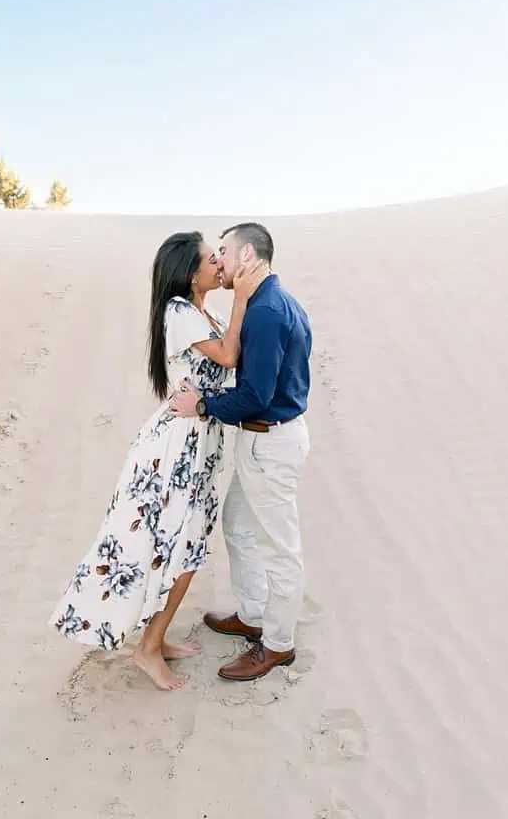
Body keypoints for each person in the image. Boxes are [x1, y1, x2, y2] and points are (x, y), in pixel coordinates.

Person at [49, 231, 265, 691]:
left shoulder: (199, 311)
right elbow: (228, 354)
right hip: (177, 449)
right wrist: (243, 298)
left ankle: (156, 637)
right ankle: (147, 649)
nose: (219, 265)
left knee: (180, 545)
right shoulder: (179, 312)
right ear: (191, 273)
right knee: (182, 548)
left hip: (199, 442)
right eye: (212, 260)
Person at [169, 221, 312, 682]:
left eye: (225, 251)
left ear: (247, 254)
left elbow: (254, 394)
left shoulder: (268, 311)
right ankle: (252, 615)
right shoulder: (271, 302)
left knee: (278, 547)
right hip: (263, 440)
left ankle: (277, 645)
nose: (220, 261)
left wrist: (203, 404)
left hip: (270, 441)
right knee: (238, 526)